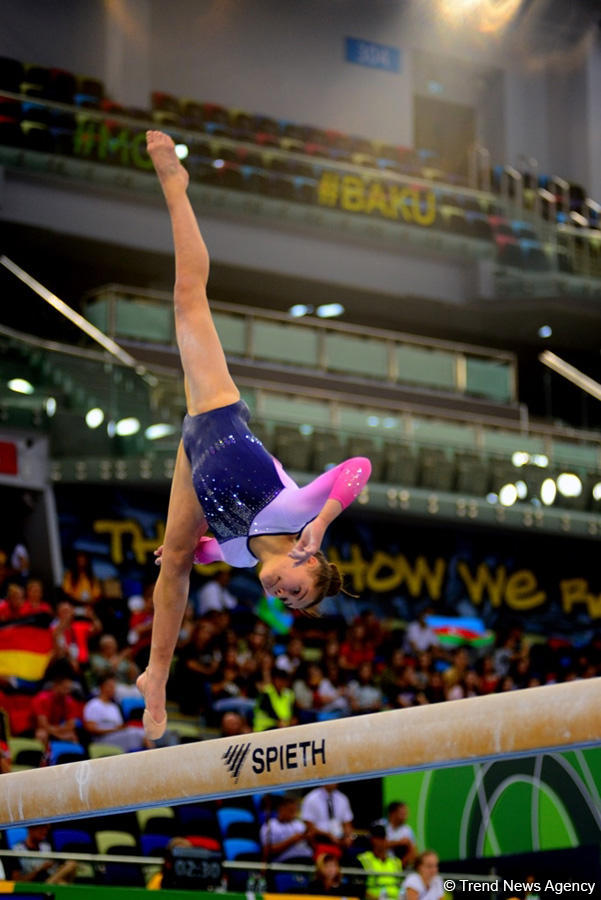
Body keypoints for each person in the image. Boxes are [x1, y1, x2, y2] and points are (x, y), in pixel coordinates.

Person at [137, 130, 371, 739]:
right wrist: (323, 520)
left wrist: (194, 548)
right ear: (308, 558)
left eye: (289, 603)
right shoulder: (298, 516)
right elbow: (359, 467)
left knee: (180, 563)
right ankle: (175, 186)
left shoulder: (246, 557)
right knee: (190, 298)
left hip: (193, 455)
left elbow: (222, 548)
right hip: (219, 414)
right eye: (297, 590)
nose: (285, 597)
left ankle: (155, 674)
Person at [83, 674, 149, 751]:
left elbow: (119, 726)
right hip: (102, 739)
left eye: (114, 686)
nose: (113, 689)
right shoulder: (93, 705)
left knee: (142, 731)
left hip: (115, 735)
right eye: (110, 686)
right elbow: (90, 728)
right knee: (134, 734)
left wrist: (121, 728)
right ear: (102, 687)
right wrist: (113, 730)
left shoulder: (113, 706)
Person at [10, 824, 77, 884]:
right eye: (41, 828)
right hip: (33, 884)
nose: (45, 832)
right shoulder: (17, 850)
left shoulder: (46, 847)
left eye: (46, 829)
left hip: (50, 881)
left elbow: (54, 870)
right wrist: (40, 869)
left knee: (71, 865)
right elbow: (17, 881)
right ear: (30, 829)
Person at [300, 783, 354, 855]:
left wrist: (348, 837)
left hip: (339, 838)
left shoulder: (342, 798)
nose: (333, 782)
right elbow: (309, 825)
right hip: (320, 838)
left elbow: (347, 822)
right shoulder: (311, 798)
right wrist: (328, 835)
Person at [260, 794, 313, 863]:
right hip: (286, 862)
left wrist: (309, 838)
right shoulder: (270, 826)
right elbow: (267, 851)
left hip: (306, 860)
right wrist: (292, 840)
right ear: (281, 809)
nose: (293, 814)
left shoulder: (300, 825)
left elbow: (312, 846)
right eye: (290, 811)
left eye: (295, 811)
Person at [358, 824, 404, 900]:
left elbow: (402, 887)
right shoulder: (363, 859)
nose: (380, 842)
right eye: (377, 838)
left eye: (383, 838)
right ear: (372, 840)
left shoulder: (396, 862)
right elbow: (360, 890)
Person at [253, 667, 297, 731]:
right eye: (279, 680)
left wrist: (293, 719)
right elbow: (268, 709)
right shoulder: (266, 692)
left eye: (283, 680)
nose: (281, 683)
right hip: (265, 727)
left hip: (284, 726)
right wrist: (279, 721)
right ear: (274, 680)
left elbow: (294, 709)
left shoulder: (289, 694)